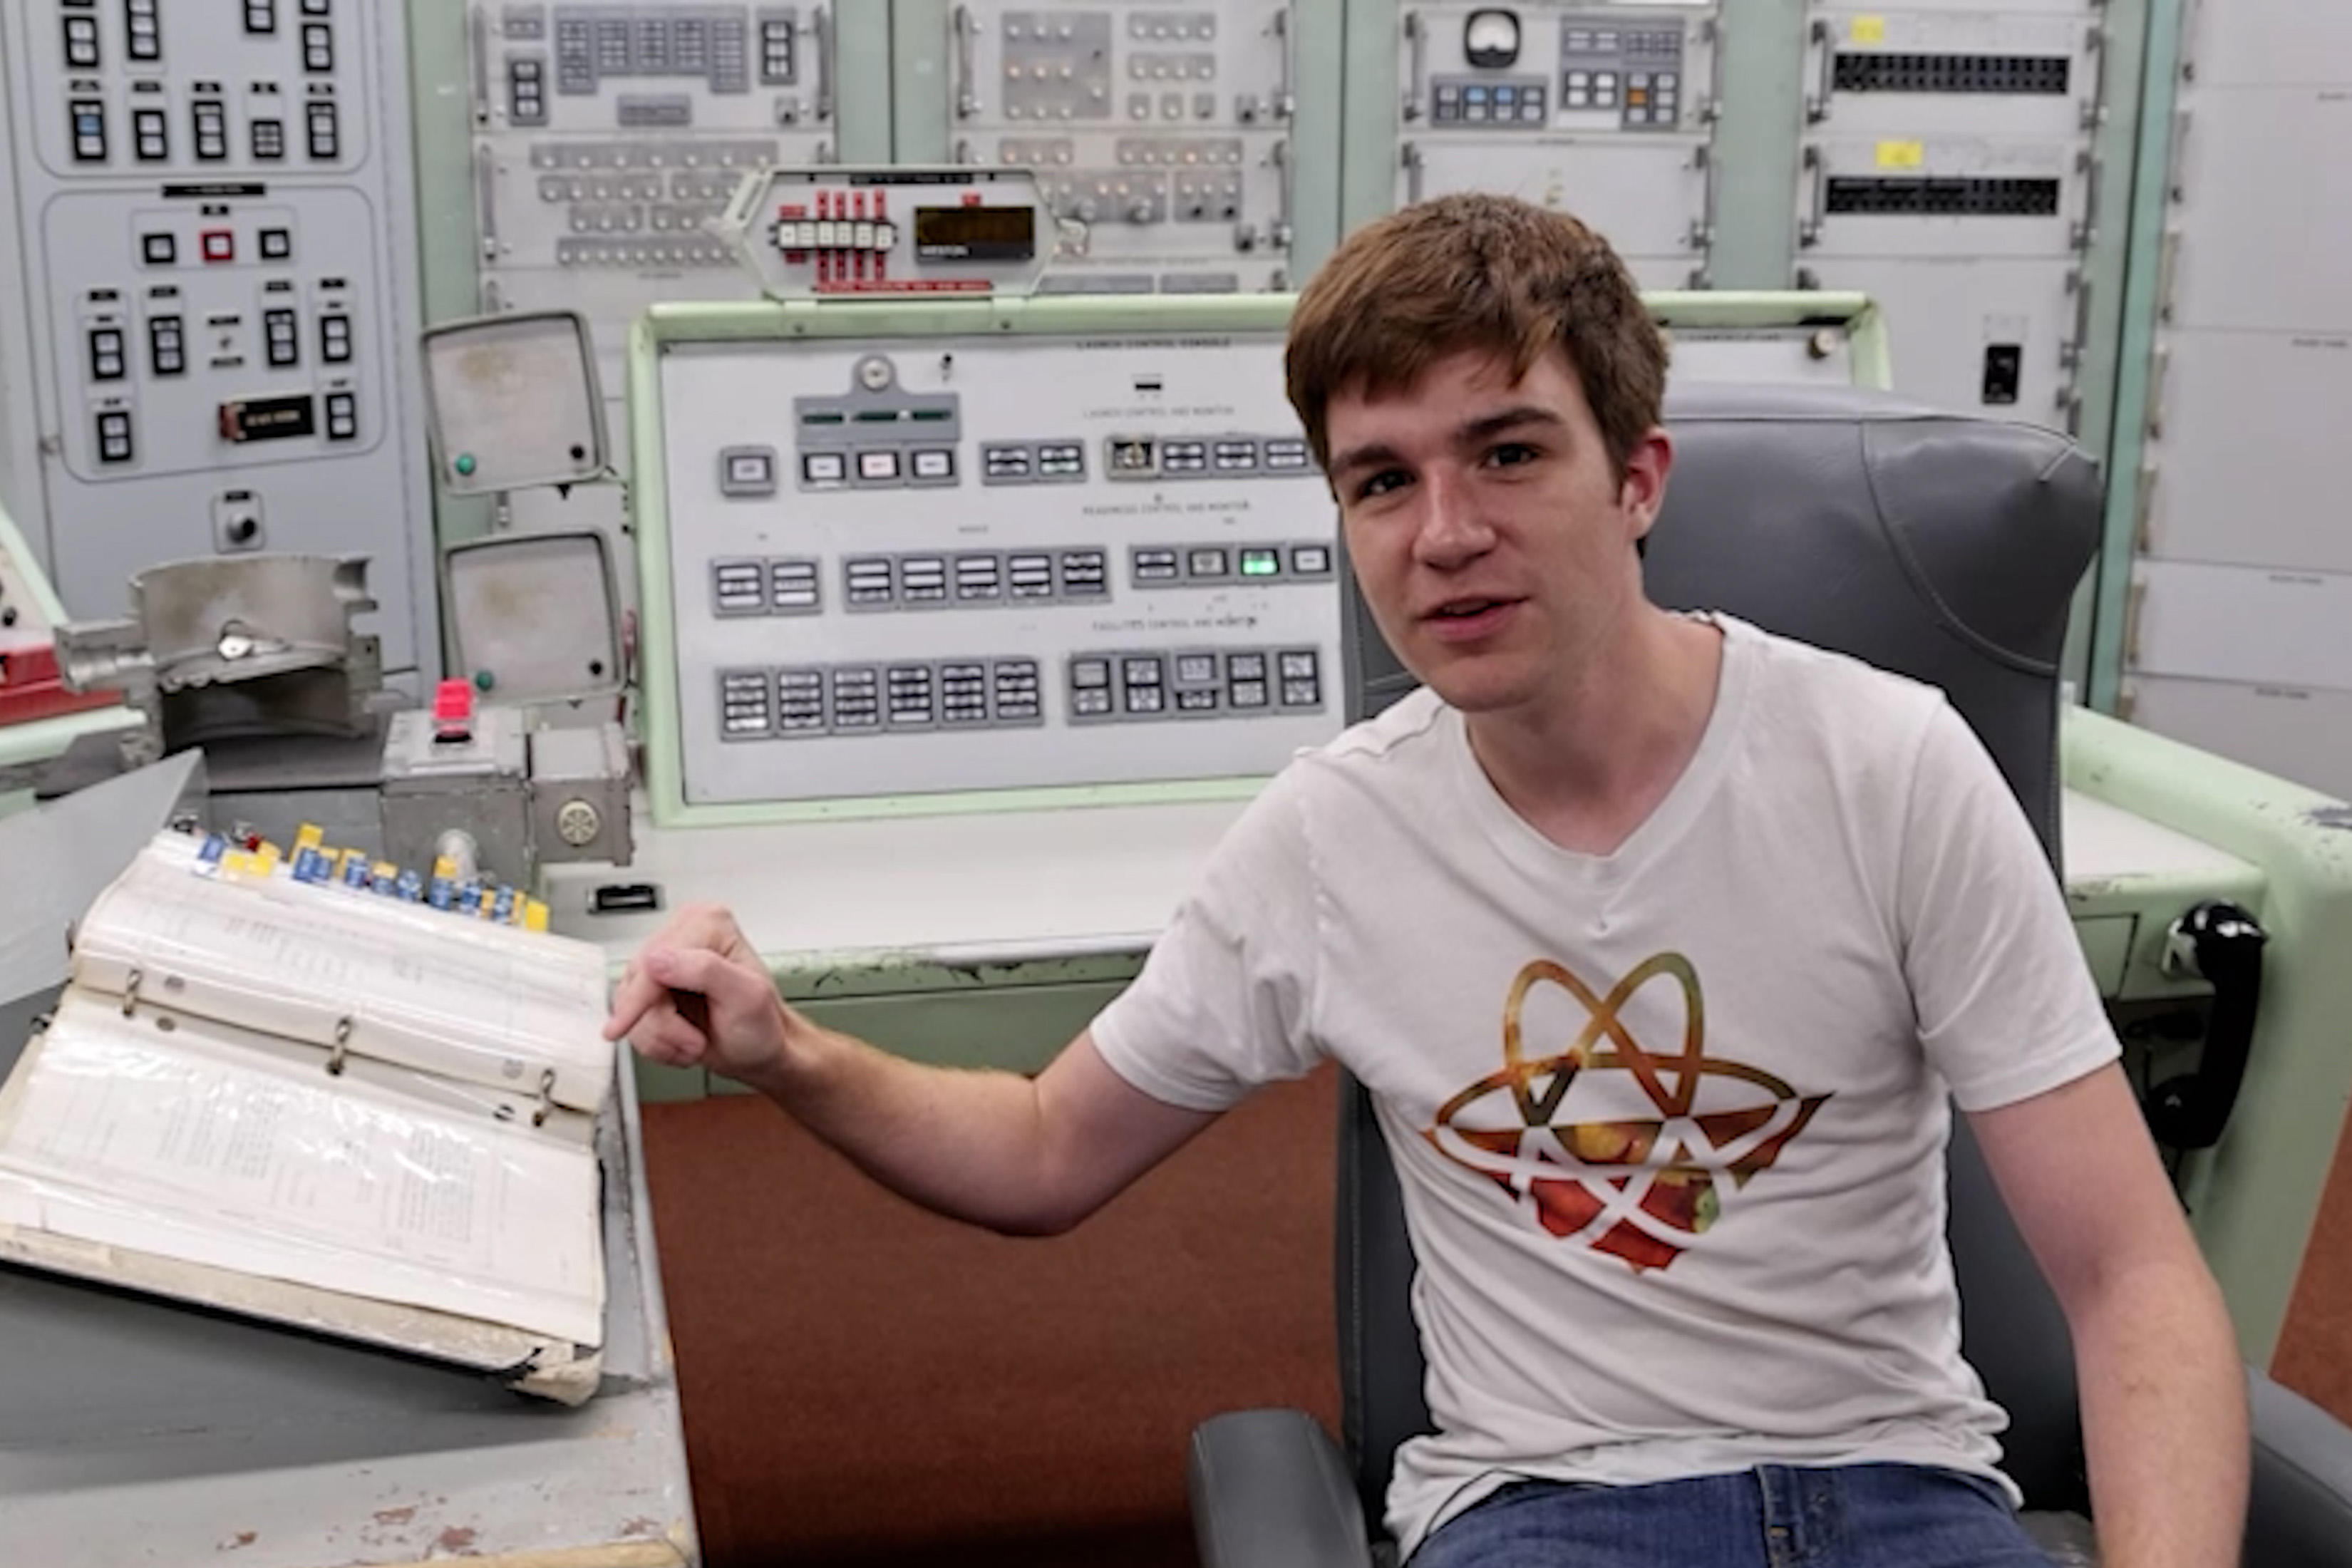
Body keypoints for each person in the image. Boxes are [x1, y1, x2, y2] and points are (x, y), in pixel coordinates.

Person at [606, 194, 2247, 1567]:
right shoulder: (1332, 836)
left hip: (1903, 1495)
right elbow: (1043, 1149)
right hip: (1543, 1511)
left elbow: (2129, 1273)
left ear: (1640, 477)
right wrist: (787, 1049)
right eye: (1381, 480)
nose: (1441, 531)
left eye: (1507, 453)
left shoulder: (1888, 763)